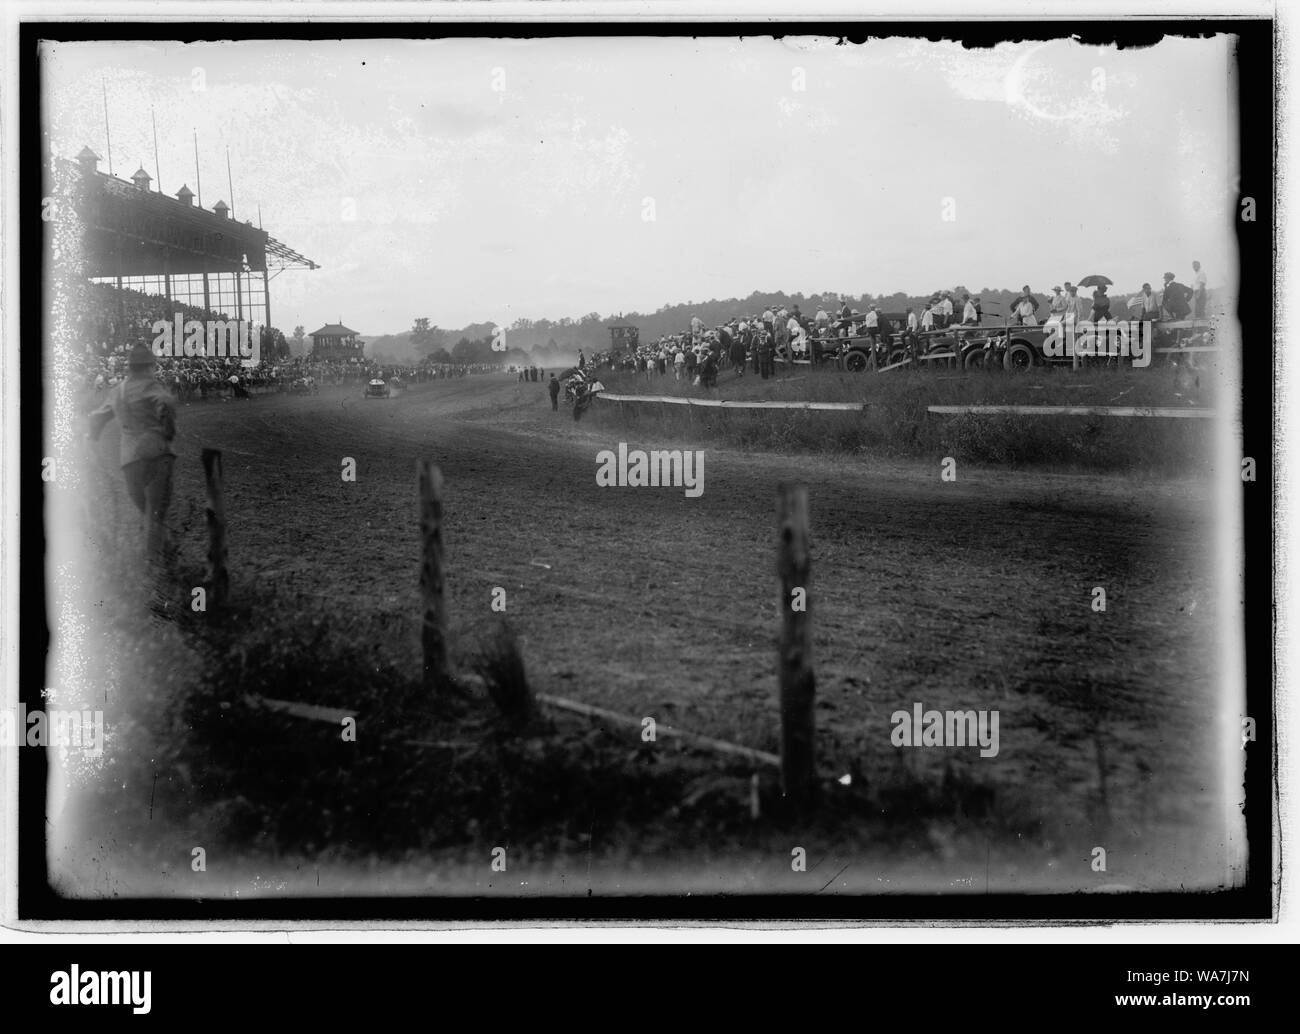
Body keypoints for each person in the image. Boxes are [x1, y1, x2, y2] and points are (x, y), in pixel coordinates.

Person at [88, 344, 178, 566]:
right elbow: (166, 404)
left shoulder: (116, 391)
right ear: (149, 366)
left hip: (128, 460)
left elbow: (95, 418)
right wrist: (168, 431)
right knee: (155, 514)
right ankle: (154, 568)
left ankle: (169, 557)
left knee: (148, 513)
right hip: (156, 454)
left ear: (130, 367)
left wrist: (91, 438)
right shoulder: (152, 386)